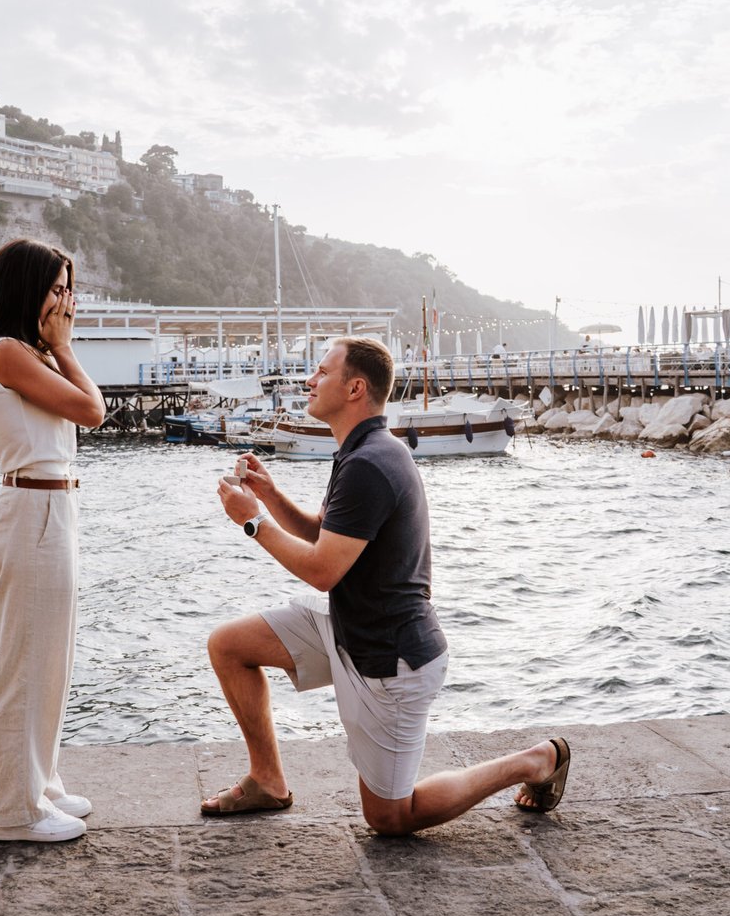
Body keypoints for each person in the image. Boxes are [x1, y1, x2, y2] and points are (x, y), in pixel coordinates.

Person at [203, 337, 571, 835]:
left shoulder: (370, 463)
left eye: (321, 372)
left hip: (391, 658)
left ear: (355, 388)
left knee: (391, 818)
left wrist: (254, 522)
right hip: (351, 628)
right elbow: (325, 536)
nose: (309, 381)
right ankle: (267, 781)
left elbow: (322, 570)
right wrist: (269, 494)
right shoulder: (361, 450)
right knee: (230, 646)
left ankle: (534, 761)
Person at [0, 238, 105, 843]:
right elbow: (92, 411)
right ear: (27, 290)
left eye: (70, 288)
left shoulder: (32, 355)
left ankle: (40, 784)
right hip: (32, 510)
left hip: (52, 507)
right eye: (57, 288)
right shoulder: (6, 352)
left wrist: (59, 350)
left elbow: (81, 410)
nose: (67, 301)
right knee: (25, 666)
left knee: (53, 661)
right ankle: (14, 811)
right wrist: (66, 349)